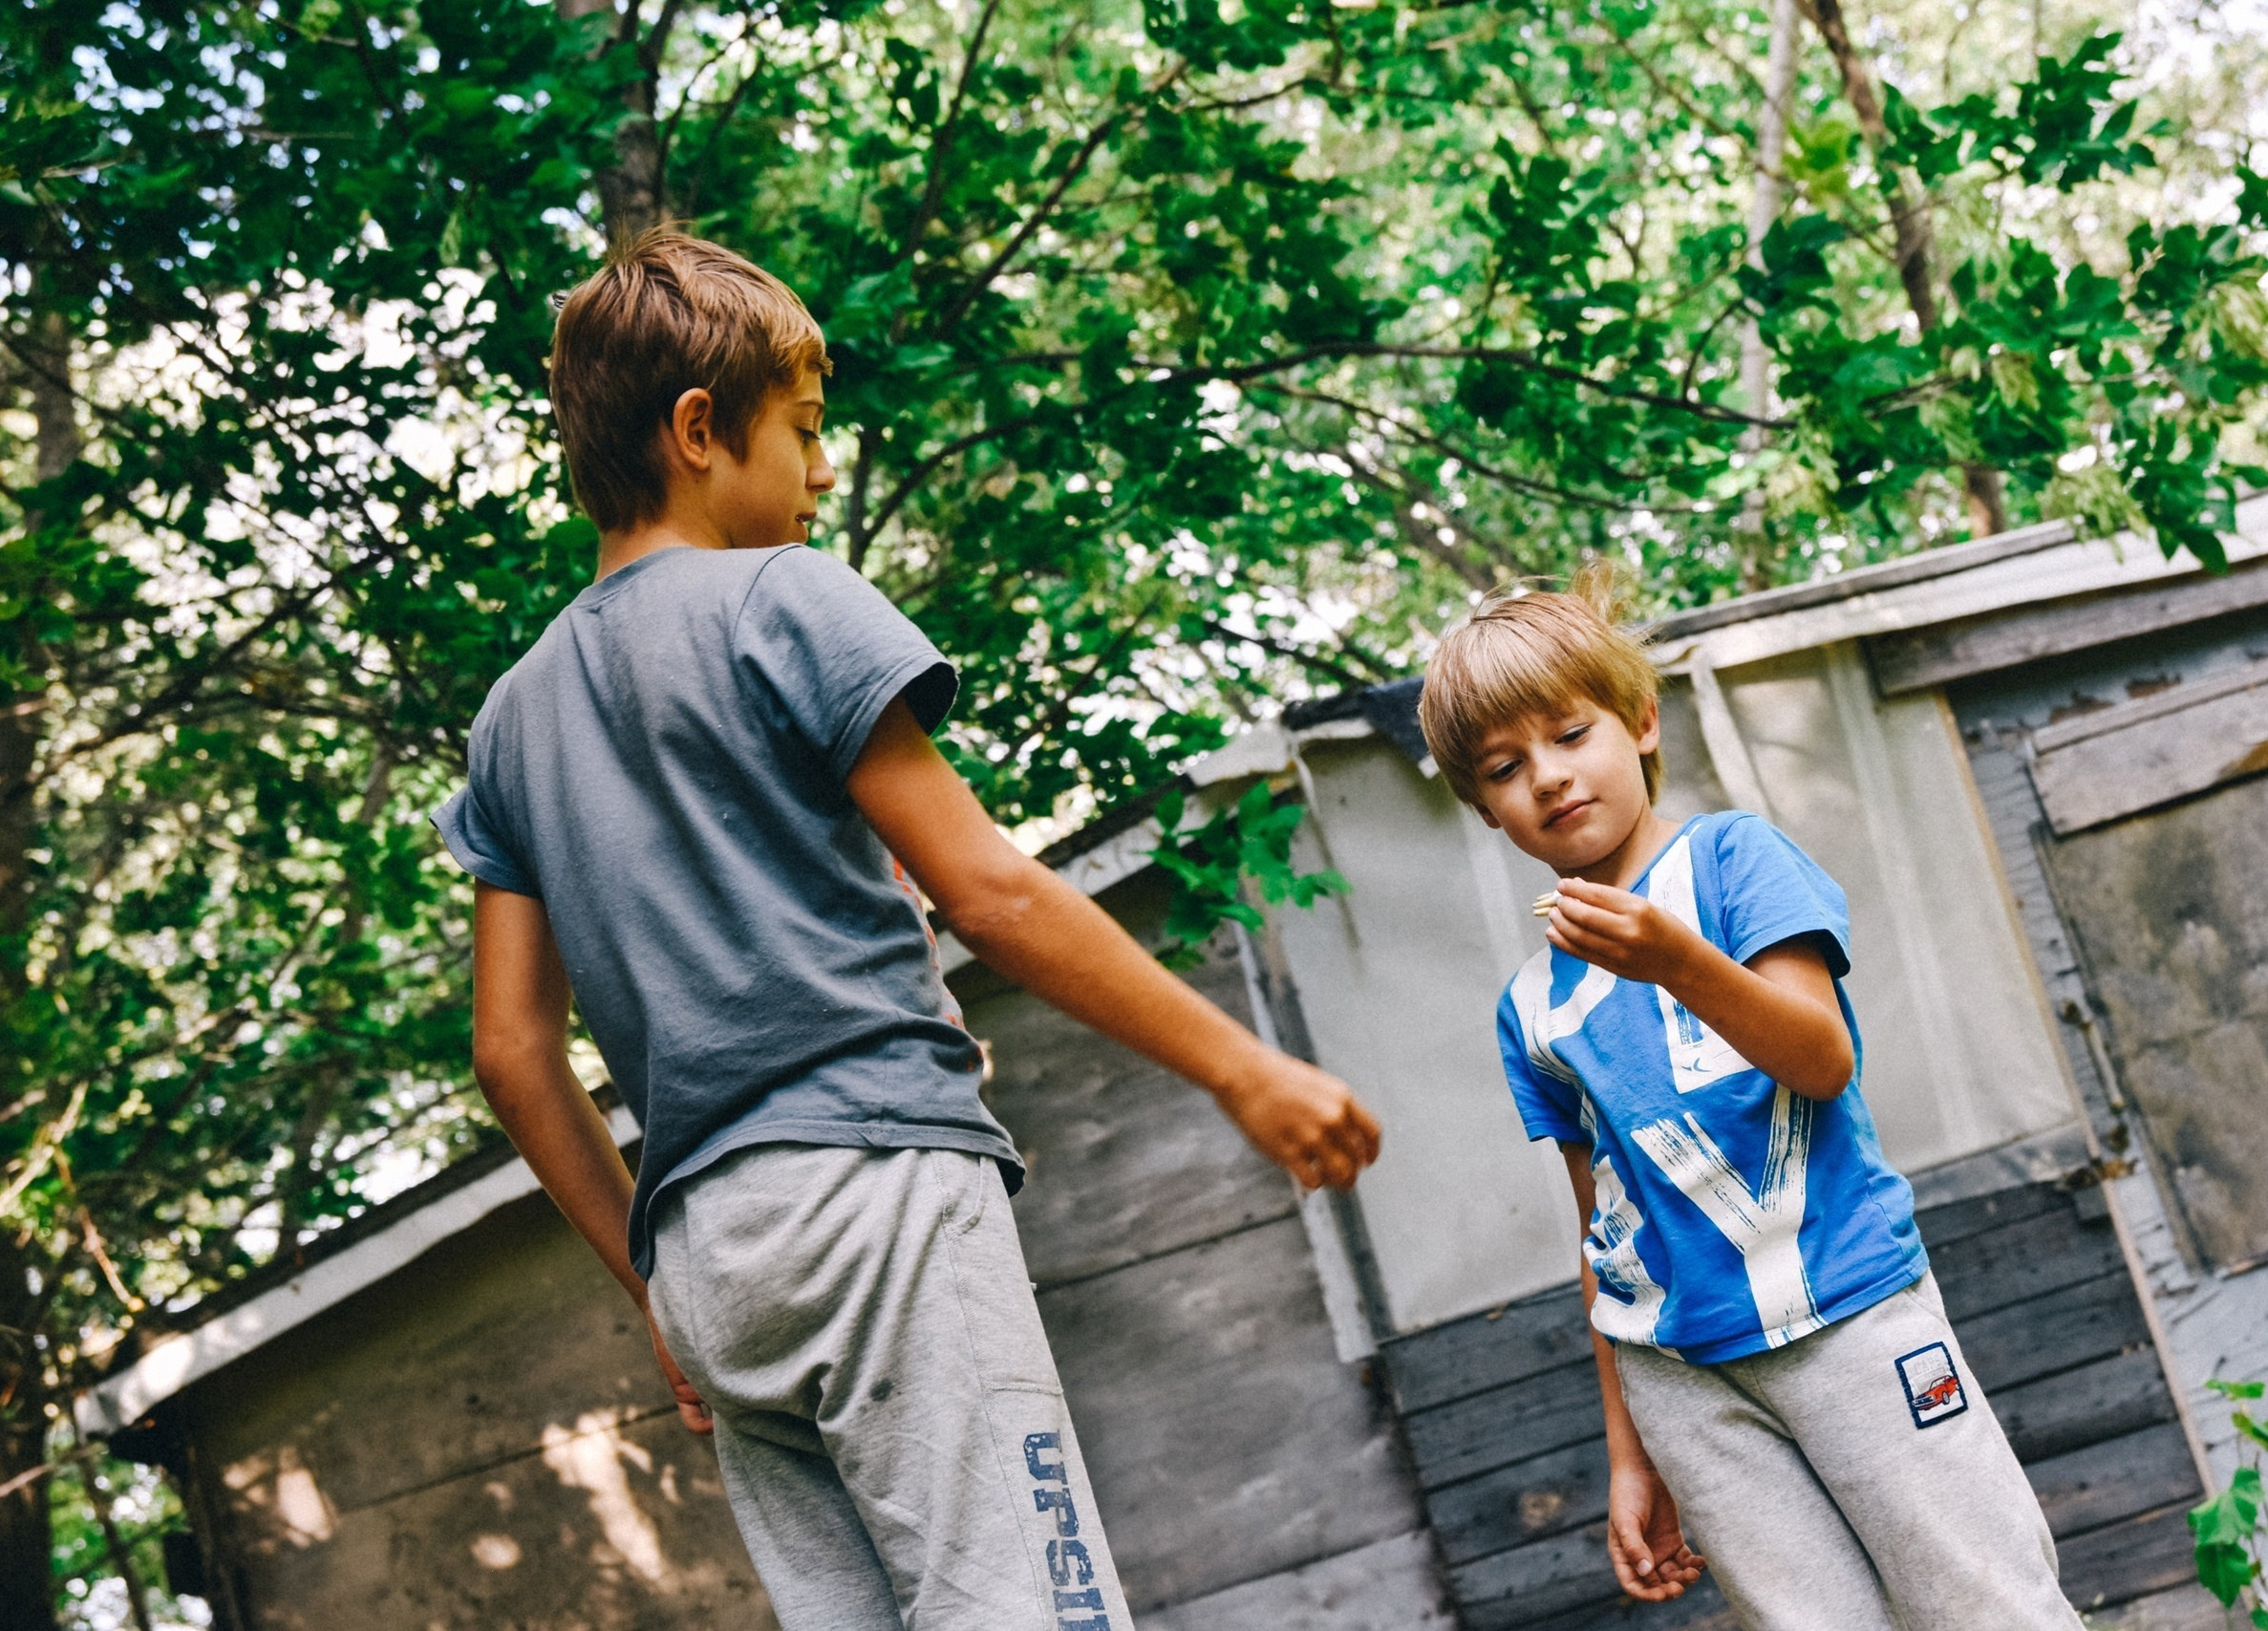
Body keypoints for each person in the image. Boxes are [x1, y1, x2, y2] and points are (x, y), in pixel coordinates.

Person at [433, 227, 1381, 1631]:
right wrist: (1242, 1066)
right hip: (874, 1182)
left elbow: (514, 1051)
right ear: (701, 430)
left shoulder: (513, 716)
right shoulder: (784, 599)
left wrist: (654, 1286)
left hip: (705, 1250)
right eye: (805, 432)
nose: (824, 472)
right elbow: (986, 890)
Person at [1416, 570, 2081, 1631]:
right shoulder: (1531, 1008)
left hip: (1849, 1317)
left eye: (1568, 732)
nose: (1545, 776)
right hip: (1686, 1388)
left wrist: (1676, 961)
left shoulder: (1732, 863)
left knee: (1988, 1607)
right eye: (1504, 767)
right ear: (1483, 806)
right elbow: (1605, 1236)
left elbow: (1819, 1059)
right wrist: (1630, 1450)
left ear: (1638, 721)